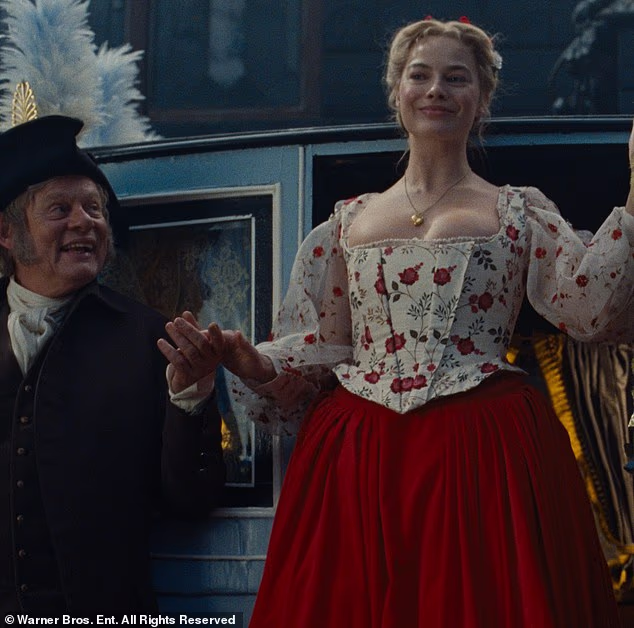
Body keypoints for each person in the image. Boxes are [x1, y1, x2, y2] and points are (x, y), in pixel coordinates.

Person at [164, 18, 633, 627]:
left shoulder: (519, 212)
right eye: (421, 75)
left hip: (483, 446)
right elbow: (322, 347)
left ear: (482, 98)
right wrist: (251, 361)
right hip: (359, 453)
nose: (437, 89)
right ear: (398, 92)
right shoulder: (345, 223)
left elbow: (590, 306)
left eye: (456, 78)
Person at [0, 114, 225, 615]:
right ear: (7, 233)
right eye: (60, 209)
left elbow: (191, 500)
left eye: (94, 208)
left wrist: (190, 399)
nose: (85, 222)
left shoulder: (151, 339)